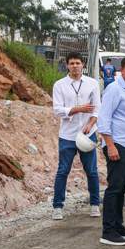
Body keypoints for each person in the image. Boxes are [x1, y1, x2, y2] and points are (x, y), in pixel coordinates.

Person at [97, 56, 125, 246]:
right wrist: (110, 145)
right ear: (122, 71)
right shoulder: (114, 89)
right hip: (118, 146)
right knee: (114, 188)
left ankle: (118, 225)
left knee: (123, 187)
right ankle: (108, 231)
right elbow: (104, 119)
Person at [51, 52, 101, 221]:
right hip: (67, 135)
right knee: (63, 170)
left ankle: (95, 204)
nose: (75, 66)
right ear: (67, 65)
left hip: (88, 134)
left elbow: (97, 109)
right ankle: (57, 207)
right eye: (71, 63)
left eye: (77, 63)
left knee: (92, 171)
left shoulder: (92, 83)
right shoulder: (59, 85)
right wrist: (78, 109)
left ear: (83, 65)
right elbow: (57, 110)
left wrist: (90, 124)